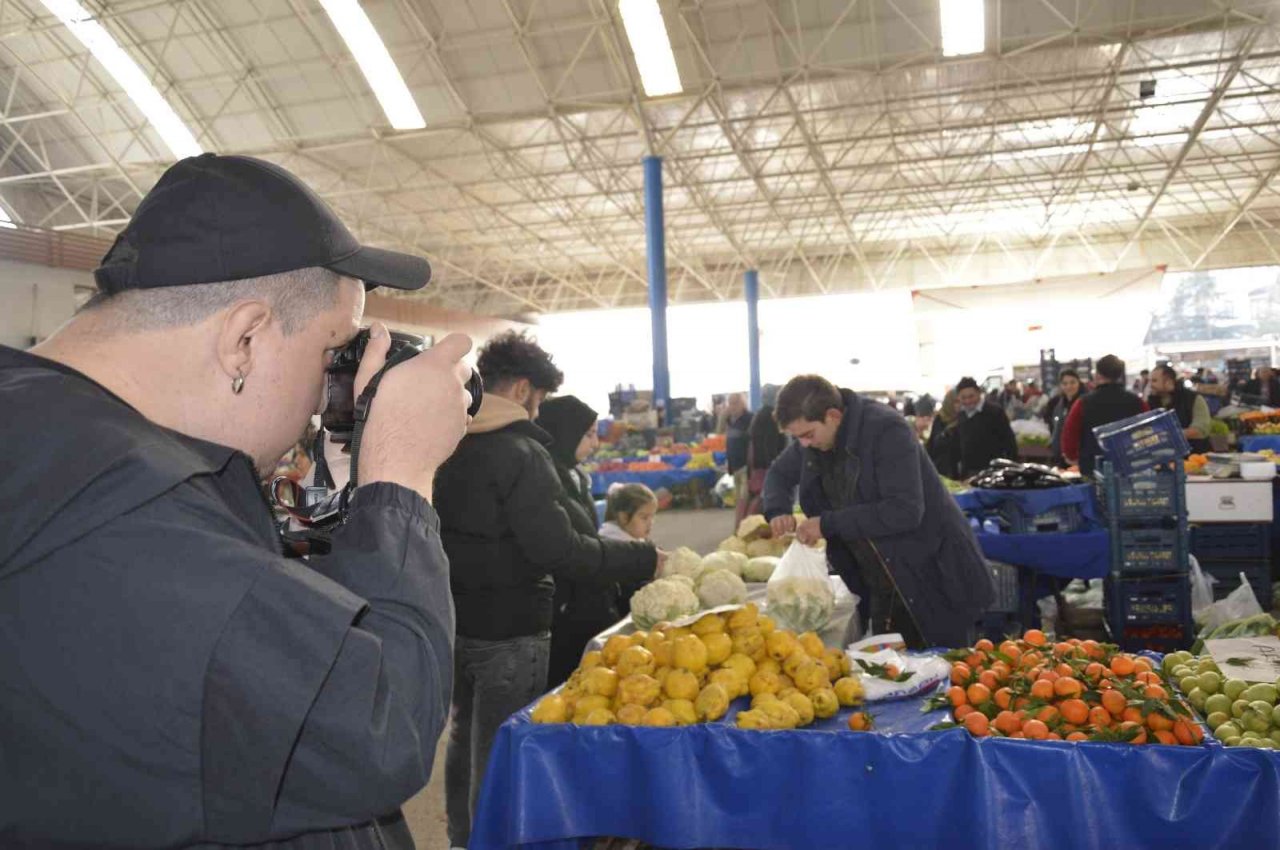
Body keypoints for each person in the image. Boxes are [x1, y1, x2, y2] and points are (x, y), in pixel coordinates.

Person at [0, 153, 472, 847]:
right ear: (245, 339)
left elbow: (257, 611)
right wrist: (400, 477)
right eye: (329, 355)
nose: (323, 396)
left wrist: (338, 492)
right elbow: (379, 724)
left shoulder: (54, 442)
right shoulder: (121, 516)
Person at [433, 332, 660, 850]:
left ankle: (463, 839)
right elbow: (557, 549)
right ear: (520, 389)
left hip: (454, 619)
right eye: (538, 399)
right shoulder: (521, 452)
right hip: (512, 627)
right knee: (505, 747)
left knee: (464, 737)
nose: (538, 414)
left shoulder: (448, 441)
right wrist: (643, 557)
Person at [762, 375, 994, 649]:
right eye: (796, 437)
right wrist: (777, 509)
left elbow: (904, 510)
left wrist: (827, 524)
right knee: (894, 673)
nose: (802, 445)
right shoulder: (816, 441)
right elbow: (778, 473)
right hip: (882, 577)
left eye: (807, 435)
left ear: (833, 416)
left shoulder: (886, 431)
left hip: (932, 575)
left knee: (942, 672)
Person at [535, 395, 635, 688]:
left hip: (584, 598)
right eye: (589, 434)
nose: (595, 444)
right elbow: (572, 546)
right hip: (563, 610)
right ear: (566, 433)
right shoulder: (546, 481)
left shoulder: (574, 475)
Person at [1061, 354, 1149, 476]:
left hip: (1093, 469)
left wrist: (1073, 456)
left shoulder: (1083, 403)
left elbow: (1069, 434)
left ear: (1097, 374)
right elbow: (1149, 431)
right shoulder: (1137, 402)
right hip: (1129, 469)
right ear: (1119, 375)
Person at [954, 376, 1019, 478]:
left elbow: (1009, 442)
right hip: (970, 472)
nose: (967, 401)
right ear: (958, 398)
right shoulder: (961, 415)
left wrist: (1011, 469)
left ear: (979, 393)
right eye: (963, 398)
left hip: (994, 471)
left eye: (971, 396)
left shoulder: (995, 412)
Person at [743, 384, 787, 517]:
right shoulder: (769, 416)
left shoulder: (761, 414)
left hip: (760, 465)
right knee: (762, 496)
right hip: (765, 465)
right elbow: (768, 444)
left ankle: (748, 524)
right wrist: (774, 465)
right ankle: (750, 524)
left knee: (758, 495)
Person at [1148, 364, 1212, 453]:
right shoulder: (1152, 401)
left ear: (1169, 382)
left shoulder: (1193, 399)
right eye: (1150, 381)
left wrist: (1166, 435)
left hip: (1194, 457)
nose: (1150, 385)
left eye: (1154, 381)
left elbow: (1200, 430)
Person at [1042, 369, 1087, 467]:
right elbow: (1051, 422)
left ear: (1079, 382)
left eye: (1072, 382)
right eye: (1065, 383)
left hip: (1079, 455)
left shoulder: (1085, 402)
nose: (1069, 386)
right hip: (1061, 454)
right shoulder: (1057, 403)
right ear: (1061, 385)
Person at [725, 392, 754, 522]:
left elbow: (753, 443)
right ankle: (740, 525)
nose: (732, 406)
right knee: (738, 500)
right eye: (730, 403)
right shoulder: (730, 421)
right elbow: (729, 443)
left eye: (735, 403)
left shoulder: (750, 419)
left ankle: (744, 525)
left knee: (744, 499)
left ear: (743, 404)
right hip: (735, 466)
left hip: (746, 466)